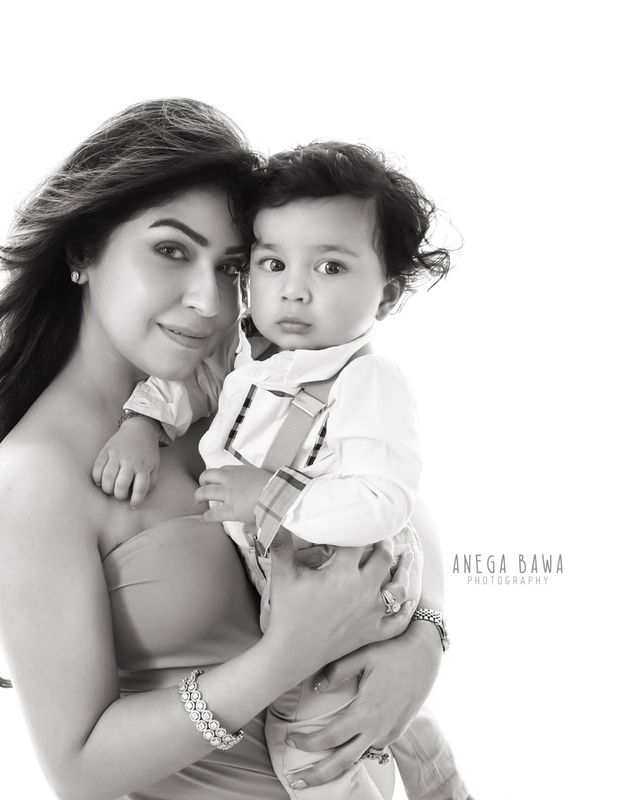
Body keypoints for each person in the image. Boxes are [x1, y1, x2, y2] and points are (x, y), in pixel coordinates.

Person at [0, 98, 466, 800]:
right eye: (170, 250)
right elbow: (80, 770)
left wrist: (422, 638)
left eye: (232, 267)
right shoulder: (39, 475)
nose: (209, 302)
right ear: (81, 251)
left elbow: (388, 493)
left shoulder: (227, 378)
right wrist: (286, 657)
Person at [91, 142, 464, 799]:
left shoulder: (366, 381)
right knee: (359, 710)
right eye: (272, 262)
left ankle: (426, 769)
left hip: (352, 578)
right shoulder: (250, 359)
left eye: (330, 266)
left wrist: (271, 496)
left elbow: (385, 500)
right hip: (298, 587)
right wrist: (141, 425)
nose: (293, 288)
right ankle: (423, 751)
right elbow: (188, 386)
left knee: (307, 749)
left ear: (392, 289)